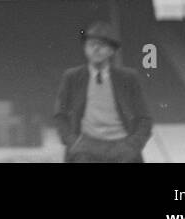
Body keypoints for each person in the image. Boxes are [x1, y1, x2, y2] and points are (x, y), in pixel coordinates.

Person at [53, 21, 153, 163]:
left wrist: (133, 146)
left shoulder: (129, 78)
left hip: (121, 146)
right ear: (84, 49)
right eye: (91, 44)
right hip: (86, 147)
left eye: (102, 45)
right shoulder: (72, 77)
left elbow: (145, 118)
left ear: (112, 50)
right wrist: (73, 143)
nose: (96, 49)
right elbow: (60, 115)